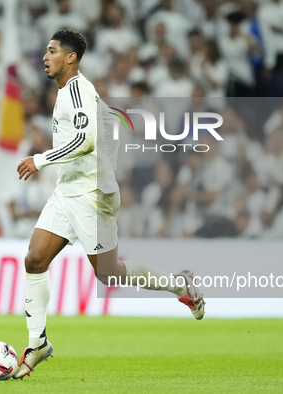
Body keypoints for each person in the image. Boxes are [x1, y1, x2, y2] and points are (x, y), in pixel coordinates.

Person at [14, 29, 205, 380]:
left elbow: (84, 141)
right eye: (46, 50)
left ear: (70, 58)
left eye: (52, 51)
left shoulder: (78, 90)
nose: (45, 56)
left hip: (92, 195)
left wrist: (40, 160)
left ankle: (181, 285)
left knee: (109, 273)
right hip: (67, 189)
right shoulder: (66, 93)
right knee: (34, 258)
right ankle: (37, 342)